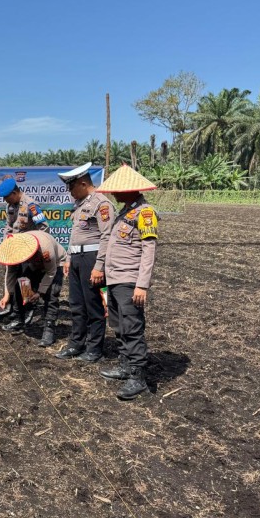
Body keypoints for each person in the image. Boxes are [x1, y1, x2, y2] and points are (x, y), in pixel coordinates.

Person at [95, 165, 159, 400]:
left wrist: (142, 284)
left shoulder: (145, 213)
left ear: (131, 190)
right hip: (114, 279)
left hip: (130, 280)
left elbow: (148, 250)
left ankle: (137, 377)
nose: (114, 194)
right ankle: (124, 365)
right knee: (119, 325)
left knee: (132, 328)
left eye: (118, 190)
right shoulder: (125, 212)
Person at [54, 162, 115, 362]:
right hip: (77, 259)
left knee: (93, 304)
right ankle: (76, 343)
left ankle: (94, 348)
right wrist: (69, 258)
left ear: (82, 183)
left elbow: (107, 237)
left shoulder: (102, 204)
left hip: (92, 259)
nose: (69, 191)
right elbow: (75, 234)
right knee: (76, 303)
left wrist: (99, 267)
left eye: (71, 187)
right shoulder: (79, 205)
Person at [0, 176, 51, 323]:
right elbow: (9, 226)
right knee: (11, 274)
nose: (6, 201)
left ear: (14, 193)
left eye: (7, 197)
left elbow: (44, 228)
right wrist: (6, 239)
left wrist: (36, 246)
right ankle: (14, 306)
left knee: (24, 280)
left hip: (28, 250)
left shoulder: (31, 205)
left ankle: (28, 306)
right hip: (14, 248)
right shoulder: (11, 206)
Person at [0, 230, 66, 346]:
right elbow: (11, 273)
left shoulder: (45, 249)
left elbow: (50, 272)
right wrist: (7, 294)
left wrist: (39, 292)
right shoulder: (14, 249)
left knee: (51, 295)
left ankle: (48, 330)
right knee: (22, 282)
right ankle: (20, 318)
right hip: (34, 264)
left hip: (55, 264)